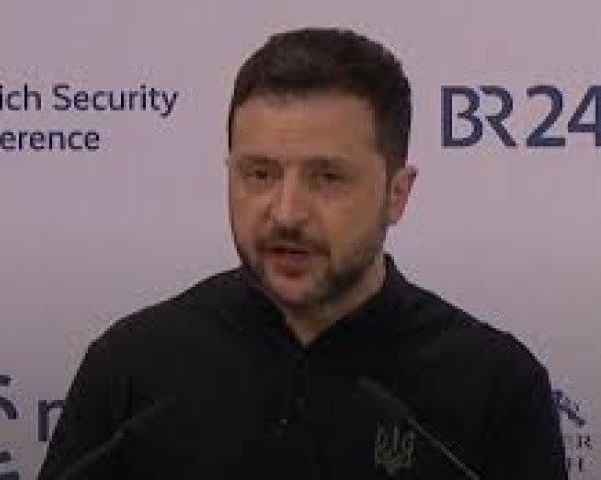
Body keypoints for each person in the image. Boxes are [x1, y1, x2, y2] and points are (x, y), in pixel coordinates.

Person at [37, 28, 568, 479]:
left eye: (327, 177)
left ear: (397, 194)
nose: (287, 212)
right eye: (259, 174)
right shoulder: (132, 368)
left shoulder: (497, 386)